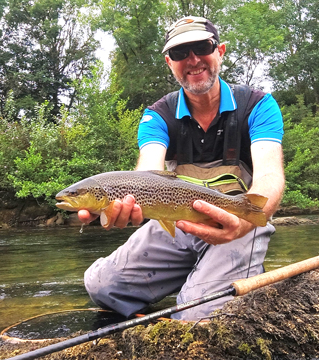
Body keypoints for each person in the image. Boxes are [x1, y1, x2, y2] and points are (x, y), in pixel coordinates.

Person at [77, 16, 285, 321]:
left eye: (202, 47)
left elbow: (269, 175)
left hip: (238, 222)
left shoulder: (258, 105)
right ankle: (201, 273)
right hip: (177, 222)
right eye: (179, 53)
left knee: (193, 316)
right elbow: (147, 171)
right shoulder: (157, 115)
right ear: (169, 62)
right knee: (102, 287)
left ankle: (218, 275)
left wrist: (249, 220)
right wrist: (127, 202)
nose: (193, 60)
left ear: (220, 51)